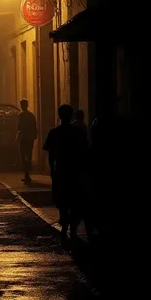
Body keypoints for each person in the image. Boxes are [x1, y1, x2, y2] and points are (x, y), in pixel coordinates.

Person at [43, 103, 88, 244]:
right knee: (75, 202)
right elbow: (85, 152)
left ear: (59, 116)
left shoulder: (54, 132)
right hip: (75, 171)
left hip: (61, 171)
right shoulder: (79, 133)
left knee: (62, 202)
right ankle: (73, 230)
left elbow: (50, 155)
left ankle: (65, 229)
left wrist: (52, 170)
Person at [16, 98, 38, 184]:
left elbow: (18, 127)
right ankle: (27, 174)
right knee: (28, 156)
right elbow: (34, 126)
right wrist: (34, 135)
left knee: (24, 156)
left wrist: (17, 136)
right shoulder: (31, 115)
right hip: (29, 138)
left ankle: (26, 174)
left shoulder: (20, 115)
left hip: (24, 138)